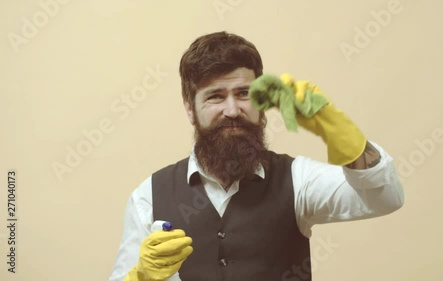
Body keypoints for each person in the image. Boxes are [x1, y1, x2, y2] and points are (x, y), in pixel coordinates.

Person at [108, 31, 404, 281]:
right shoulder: (148, 196)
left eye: (243, 93)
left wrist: (336, 130)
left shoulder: (297, 180)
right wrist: (141, 276)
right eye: (215, 96)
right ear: (189, 107)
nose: (233, 110)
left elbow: (385, 197)